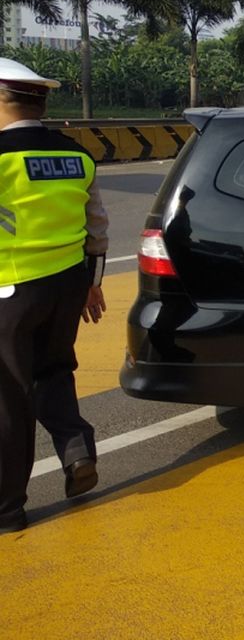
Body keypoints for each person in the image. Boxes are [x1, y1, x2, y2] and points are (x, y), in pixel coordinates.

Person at [0, 58, 108, 534]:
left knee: (8, 398)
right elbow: (98, 226)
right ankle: (75, 449)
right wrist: (92, 282)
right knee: (54, 370)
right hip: (67, 285)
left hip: (11, 290)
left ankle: (6, 511)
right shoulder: (75, 155)